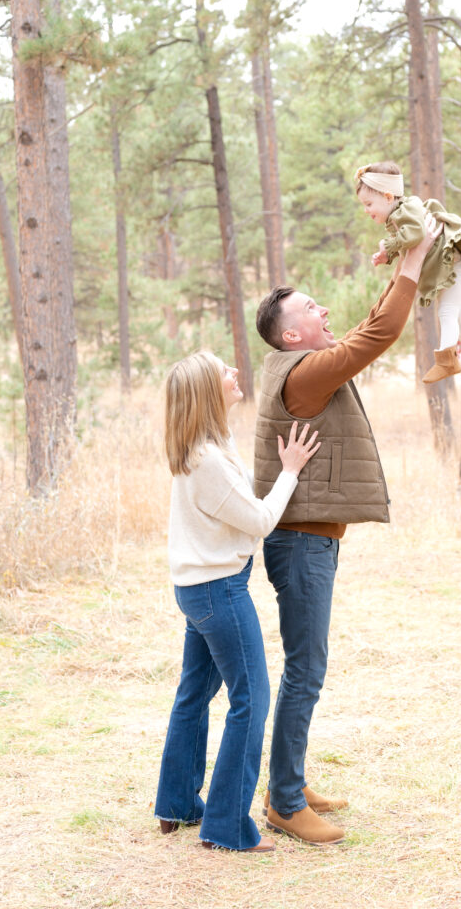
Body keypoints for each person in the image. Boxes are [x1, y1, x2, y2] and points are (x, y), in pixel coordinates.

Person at [253, 216, 441, 845]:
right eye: (312, 306)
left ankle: (290, 777)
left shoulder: (299, 365)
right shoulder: (301, 373)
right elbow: (378, 333)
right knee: (306, 669)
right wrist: (413, 261)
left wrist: (398, 269)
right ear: (291, 332)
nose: (324, 308)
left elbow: (365, 324)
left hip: (310, 539)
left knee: (305, 667)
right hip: (302, 543)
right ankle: (282, 801)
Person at [154, 350, 320, 853]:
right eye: (223, 371)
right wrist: (291, 469)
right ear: (209, 391)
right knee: (251, 701)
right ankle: (226, 827)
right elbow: (261, 521)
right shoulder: (207, 462)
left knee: (194, 696)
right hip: (217, 591)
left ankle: (178, 804)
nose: (234, 372)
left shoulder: (206, 446)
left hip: (198, 588)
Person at [356, 160, 461, 385]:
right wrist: (388, 255)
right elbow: (412, 239)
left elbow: (415, 234)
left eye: (368, 203)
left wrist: (390, 245)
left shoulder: (404, 211)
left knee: (447, 313)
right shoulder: (406, 210)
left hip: (455, 270)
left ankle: (447, 361)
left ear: (387, 197)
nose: (366, 210)